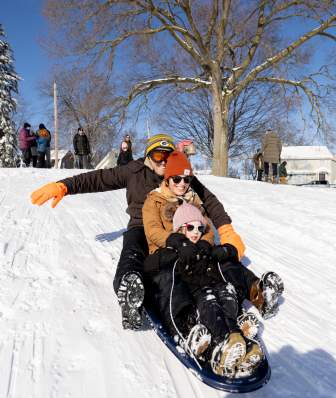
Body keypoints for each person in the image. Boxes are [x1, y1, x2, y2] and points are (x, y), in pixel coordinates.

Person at [30, 133, 245, 331]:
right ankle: (130, 288)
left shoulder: (176, 175)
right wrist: (63, 186)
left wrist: (225, 229)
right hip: (140, 226)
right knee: (133, 250)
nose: (163, 161)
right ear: (149, 156)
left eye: (168, 157)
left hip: (173, 230)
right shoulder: (133, 171)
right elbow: (98, 178)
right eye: (158, 156)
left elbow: (209, 200)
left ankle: (226, 292)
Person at [142, 152, 283, 377]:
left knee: (224, 265)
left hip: (197, 254)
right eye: (176, 179)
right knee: (175, 284)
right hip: (167, 255)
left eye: (186, 180)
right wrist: (176, 241)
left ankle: (256, 295)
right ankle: (189, 330)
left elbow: (206, 228)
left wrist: (206, 245)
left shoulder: (194, 199)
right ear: (167, 179)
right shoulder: (154, 200)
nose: (182, 184)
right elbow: (152, 230)